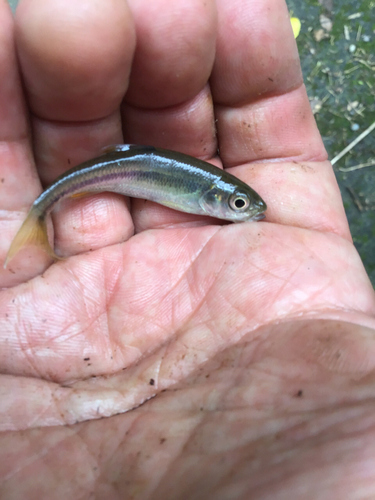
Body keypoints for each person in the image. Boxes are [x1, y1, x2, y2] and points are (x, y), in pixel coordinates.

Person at [1, 0, 375, 497]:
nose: (247, 211)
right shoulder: (199, 193)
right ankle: (40, 214)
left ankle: (40, 215)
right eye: (238, 203)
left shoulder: (205, 195)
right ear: (216, 199)